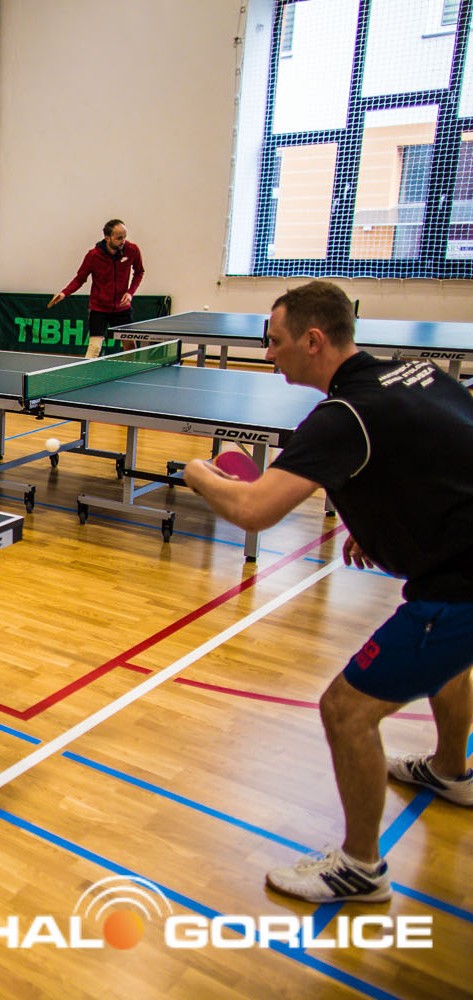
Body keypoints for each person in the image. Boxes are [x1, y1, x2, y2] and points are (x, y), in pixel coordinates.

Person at [184, 280, 473, 904]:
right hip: (456, 567)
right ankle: (452, 771)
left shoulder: (342, 417)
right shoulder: (418, 374)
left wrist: (199, 474)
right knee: (447, 661)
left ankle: (360, 868)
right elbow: (436, 453)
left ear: (313, 340)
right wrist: (379, 522)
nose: (268, 353)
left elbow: (255, 510)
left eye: (275, 341)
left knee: (346, 710)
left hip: (460, 586)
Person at [47, 219, 145, 358]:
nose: (123, 241)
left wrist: (130, 293)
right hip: (99, 309)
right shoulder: (93, 256)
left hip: (122, 308)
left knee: (130, 346)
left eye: (124, 237)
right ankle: (86, 372)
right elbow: (80, 278)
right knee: (94, 348)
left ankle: (131, 371)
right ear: (107, 238)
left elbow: (139, 272)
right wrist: (64, 293)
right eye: (119, 238)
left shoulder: (132, 250)